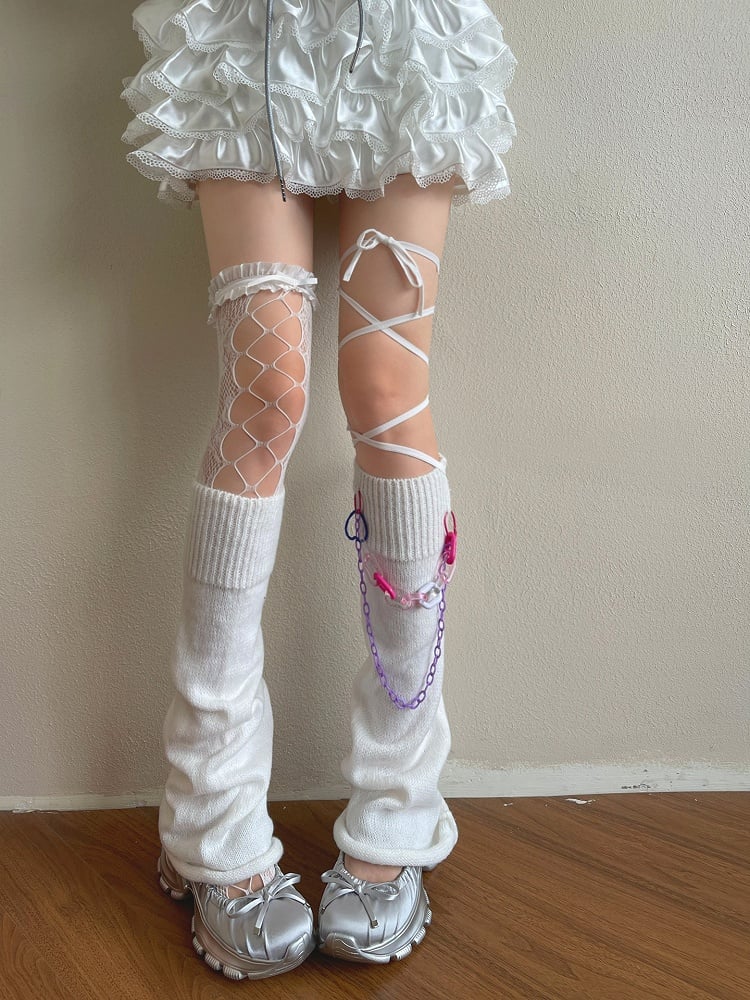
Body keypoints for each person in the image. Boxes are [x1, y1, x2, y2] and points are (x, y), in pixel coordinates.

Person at [120, 0, 517, 980]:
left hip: (405, 31)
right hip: (246, 32)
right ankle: (207, 811)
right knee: (266, 396)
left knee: (386, 394)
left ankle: (399, 804)